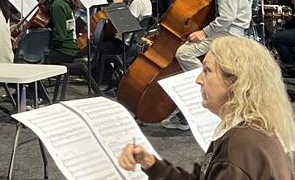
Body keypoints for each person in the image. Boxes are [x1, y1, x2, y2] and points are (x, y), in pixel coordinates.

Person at [119, 36, 295, 179]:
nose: (198, 79)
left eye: (207, 70)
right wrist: (150, 163)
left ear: (235, 83)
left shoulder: (238, 147)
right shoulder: (251, 128)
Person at [168, 0, 251, 130]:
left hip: (230, 33)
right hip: (229, 31)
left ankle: (206, 93)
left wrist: (204, 33)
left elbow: (227, 16)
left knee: (184, 52)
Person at [38, 0, 79, 64]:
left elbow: (60, 36)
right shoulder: (58, 2)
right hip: (66, 49)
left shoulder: (57, 5)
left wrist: (46, 46)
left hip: (65, 51)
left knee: (36, 55)